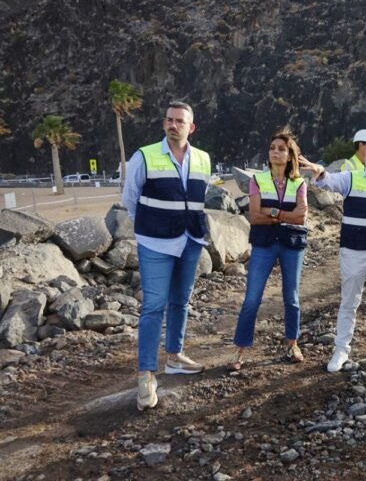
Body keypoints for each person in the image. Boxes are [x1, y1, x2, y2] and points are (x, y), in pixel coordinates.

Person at [122, 101, 211, 411]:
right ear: (164, 124)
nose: (174, 125)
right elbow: (130, 199)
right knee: (153, 306)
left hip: (191, 239)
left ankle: (174, 357)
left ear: (191, 127)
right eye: (169, 120)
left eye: (180, 121)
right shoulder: (144, 156)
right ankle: (146, 374)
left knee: (181, 301)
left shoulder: (203, 159)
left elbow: (199, 197)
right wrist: (150, 227)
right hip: (155, 242)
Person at [298, 137, 366, 372]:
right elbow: (329, 181)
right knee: (349, 302)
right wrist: (319, 171)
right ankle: (341, 350)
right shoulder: (351, 178)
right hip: (354, 250)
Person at [228, 127, 309, 371]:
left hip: (292, 244)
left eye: (281, 149)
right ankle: (240, 349)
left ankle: (292, 344)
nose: (275, 152)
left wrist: (271, 212)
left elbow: (301, 217)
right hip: (263, 243)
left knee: (292, 298)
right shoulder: (258, 180)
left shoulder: (299, 183)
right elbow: (254, 216)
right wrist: (285, 215)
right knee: (252, 298)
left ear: (289, 155)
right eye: (272, 148)